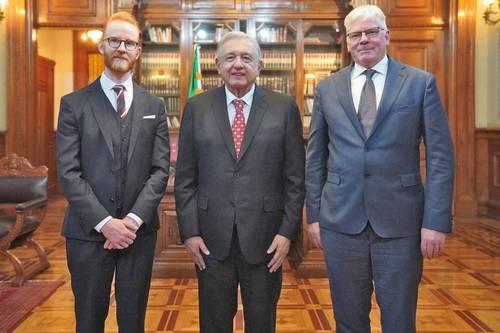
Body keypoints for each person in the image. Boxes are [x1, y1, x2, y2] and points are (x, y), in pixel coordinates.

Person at [305, 5, 454, 333]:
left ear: (386, 35)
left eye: (371, 32)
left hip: (401, 224)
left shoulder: (419, 83)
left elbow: (441, 157)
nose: (363, 40)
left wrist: (435, 222)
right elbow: (315, 158)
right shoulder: (327, 89)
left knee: (400, 320)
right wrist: (313, 215)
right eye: (355, 35)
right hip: (341, 223)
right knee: (348, 319)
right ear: (347, 43)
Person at [174, 31, 305, 333]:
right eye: (230, 57)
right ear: (217, 65)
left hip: (267, 238)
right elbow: (185, 179)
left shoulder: (284, 108)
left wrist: (287, 232)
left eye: (247, 58)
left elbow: (296, 179)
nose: (238, 64)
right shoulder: (197, 107)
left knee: (262, 323)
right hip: (210, 239)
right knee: (214, 323)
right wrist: (190, 232)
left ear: (260, 65)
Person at [56, 11, 170, 333]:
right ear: (102, 46)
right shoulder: (73, 105)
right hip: (87, 234)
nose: (121, 47)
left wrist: (131, 221)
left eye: (129, 42)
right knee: (89, 321)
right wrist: (107, 224)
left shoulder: (154, 106)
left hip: (138, 235)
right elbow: (69, 172)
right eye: (114, 40)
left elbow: (160, 171)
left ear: (138, 51)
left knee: (133, 321)